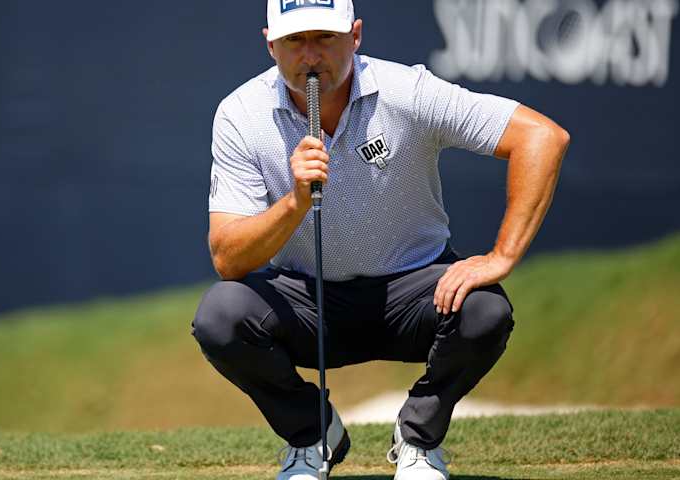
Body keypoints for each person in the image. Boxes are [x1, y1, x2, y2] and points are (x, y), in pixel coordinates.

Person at [192, 1, 570, 479]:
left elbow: (541, 138)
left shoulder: (407, 92)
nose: (310, 56)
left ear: (355, 36)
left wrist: (502, 256)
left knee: (486, 311)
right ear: (271, 44)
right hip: (309, 300)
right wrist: (293, 205)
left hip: (414, 292)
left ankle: (418, 439)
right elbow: (228, 258)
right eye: (295, 41)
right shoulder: (240, 113)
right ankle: (311, 435)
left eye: (325, 38)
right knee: (220, 316)